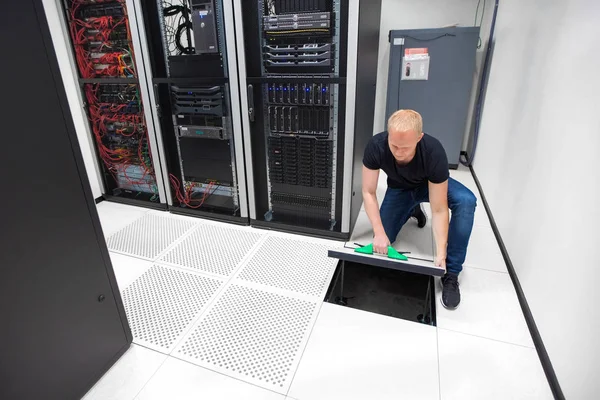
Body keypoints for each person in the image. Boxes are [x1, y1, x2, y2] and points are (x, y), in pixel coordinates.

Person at [362, 109, 476, 309]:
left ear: (419, 138)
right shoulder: (376, 146)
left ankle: (451, 274)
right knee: (383, 240)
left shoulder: (433, 151)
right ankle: (412, 209)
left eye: (405, 148)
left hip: (430, 186)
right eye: (394, 145)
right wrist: (379, 233)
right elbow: (369, 192)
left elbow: (439, 209)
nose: (398, 152)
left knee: (466, 201)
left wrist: (441, 251)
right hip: (400, 189)